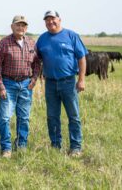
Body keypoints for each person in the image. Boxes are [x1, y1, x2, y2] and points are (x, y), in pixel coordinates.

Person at [36, 10, 88, 157]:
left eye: (53, 19)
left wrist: (82, 79)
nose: (50, 22)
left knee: (73, 116)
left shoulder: (71, 35)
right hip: (50, 83)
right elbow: (36, 59)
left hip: (68, 82)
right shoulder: (42, 39)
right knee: (52, 116)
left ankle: (76, 147)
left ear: (59, 19)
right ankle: (55, 145)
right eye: (47, 20)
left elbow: (82, 57)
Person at [0, 15, 41, 158]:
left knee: (24, 117)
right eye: (18, 25)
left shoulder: (31, 43)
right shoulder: (4, 43)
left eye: (23, 25)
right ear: (12, 26)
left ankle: (21, 145)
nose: (21, 28)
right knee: (5, 118)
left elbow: (37, 63)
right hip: (8, 84)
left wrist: (34, 79)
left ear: (26, 28)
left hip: (26, 84)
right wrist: (0, 86)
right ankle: (6, 148)